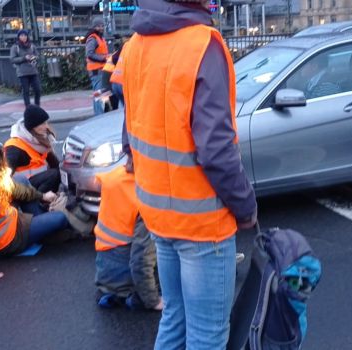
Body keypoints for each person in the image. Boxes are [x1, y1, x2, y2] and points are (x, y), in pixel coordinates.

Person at [119, 0, 258, 347]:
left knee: (175, 319)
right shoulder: (203, 44)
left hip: (157, 213)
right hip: (201, 223)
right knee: (208, 335)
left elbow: (129, 130)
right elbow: (216, 149)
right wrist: (246, 208)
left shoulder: (136, 44)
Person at [0, 141, 93, 281]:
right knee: (60, 218)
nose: (5, 159)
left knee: (19, 179)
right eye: (2, 156)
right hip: (5, 242)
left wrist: (42, 196)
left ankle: (39, 224)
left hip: (2, 226)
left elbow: (15, 188)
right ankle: (44, 232)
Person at [93, 166, 163, 311]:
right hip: (124, 275)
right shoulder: (149, 194)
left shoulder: (118, 175)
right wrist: (153, 301)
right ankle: (136, 297)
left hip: (105, 269)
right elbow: (141, 259)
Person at [4, 106, 62, 194]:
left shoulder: (42, 142)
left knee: (60, 172)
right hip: (22, 189)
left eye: (46, 122)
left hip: (35, 184)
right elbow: (5, 176)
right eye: (42, 124)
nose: (46, 127)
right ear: (32, 127)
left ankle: (48, 200)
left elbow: (56, 165)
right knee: (54, 174)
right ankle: (40, 202)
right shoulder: (14, 147)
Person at [10, 30, 41, 106]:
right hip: (22, 72)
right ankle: (28, 108)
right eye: (21, 36)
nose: (23, 37)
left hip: (33, 71)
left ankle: (37, 106)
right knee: (26, 91)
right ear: (18, 37)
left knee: (38, 90)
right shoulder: (15, 47)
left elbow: (37, 55)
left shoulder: (32, 45)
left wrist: (34, 57)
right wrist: (24, 58)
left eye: (25, 35)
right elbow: (12, 59)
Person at [85, 18, 109, 116]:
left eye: (102, 26)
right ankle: (99, 116)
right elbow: (89, 54)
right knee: (98, 95)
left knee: (101, 94)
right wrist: (104, 58)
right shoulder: (93, 38)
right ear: (94, 27)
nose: (101, 28)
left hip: (100, 70)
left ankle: (101, 114)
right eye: (99, 26)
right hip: (96, 71)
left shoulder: (99, 38)